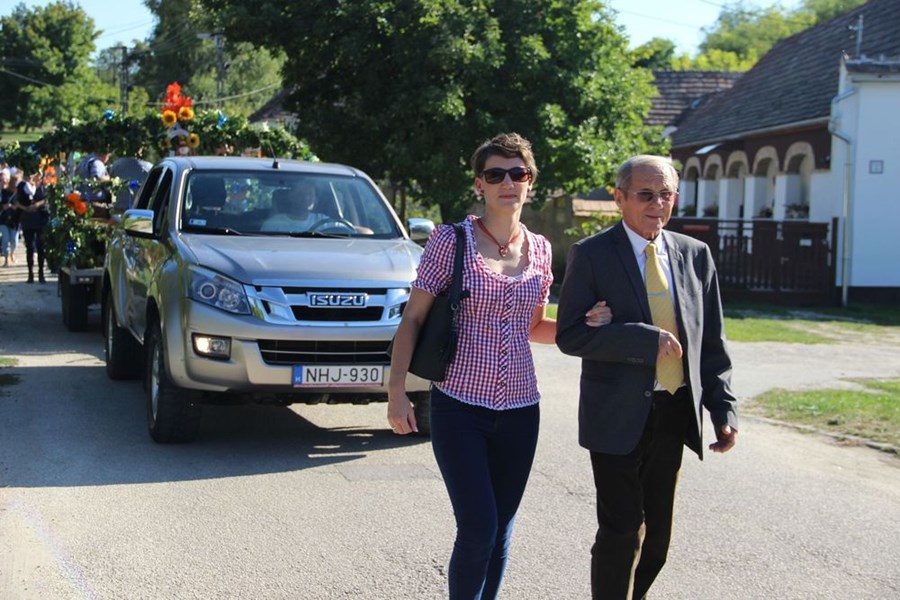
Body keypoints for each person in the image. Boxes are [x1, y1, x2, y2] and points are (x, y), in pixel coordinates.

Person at [387, 132, 610, 600]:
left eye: (517, 173)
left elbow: (535, 327)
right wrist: (397, 393)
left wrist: (586, 324)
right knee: (478, 527)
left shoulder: (541, 249)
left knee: (501, 529)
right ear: (479, 184)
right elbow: (413, 319)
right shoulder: (451, 241)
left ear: (530, 182)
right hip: (459, 406)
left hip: (521, 411)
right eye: (496, 174)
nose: (508, 182)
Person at [555, 155, 738, 600]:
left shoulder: (695, 255)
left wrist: (723, 409)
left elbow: (711, 341)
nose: (657, 204)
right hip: (614, 415)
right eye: (645, 194)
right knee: (621, 530)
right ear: (620, 198)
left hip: (673, 410)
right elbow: (570, 335)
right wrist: (642, 339)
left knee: (657, 538)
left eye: (666, 194)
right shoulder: (592, 254)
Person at [12, 168, 50, 283]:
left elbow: (47, 199)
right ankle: (30, 274)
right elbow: (16, 201)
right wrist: (26, 208)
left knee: (40, 247)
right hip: (27, 219)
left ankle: (41, 273)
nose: (32, 177)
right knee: (30, 247)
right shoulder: (22, 187)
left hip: (40, 219)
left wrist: (37, 205)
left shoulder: (42, 187)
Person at [260, 181, 327, 232]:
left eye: (310, 194)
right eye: (301, 194)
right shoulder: (273, 224)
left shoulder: (324, 221)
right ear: (291, 197)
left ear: (316, 199)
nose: (306, 198)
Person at [76, 150, 113, 217]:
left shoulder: (83, 161)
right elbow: (97, 179)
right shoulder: (97, 162)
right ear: (105, 155)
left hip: (83, 200)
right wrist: (110, 179)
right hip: (96, 203)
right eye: (108, 157)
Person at [0, 167, 20, 267]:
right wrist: (2, 206)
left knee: (14, 241)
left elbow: (20, 203)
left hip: (14, 219)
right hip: (3, 219)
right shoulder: (2, 192)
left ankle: (12, 252)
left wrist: (15, 206)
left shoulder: (17, 192)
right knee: (5, 239)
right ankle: (6, 259)